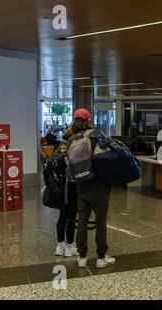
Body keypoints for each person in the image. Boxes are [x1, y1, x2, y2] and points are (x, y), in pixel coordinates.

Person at [68, 108, 115, 269]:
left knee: (82, 221)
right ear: (89, 119)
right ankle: (101, 257)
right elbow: (108, 157)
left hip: (81, 185)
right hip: (99, 185)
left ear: (75, 120)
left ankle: (82, 257)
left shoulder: (71, 139)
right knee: (101, 221)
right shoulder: (96, 135)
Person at [55, 126, 79, 257]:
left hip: (59, 188)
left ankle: (60, 245)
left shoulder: (60, 147)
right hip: (71, 187)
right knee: (71, 217)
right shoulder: (73, 149)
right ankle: (70, 247)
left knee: (62, 216)